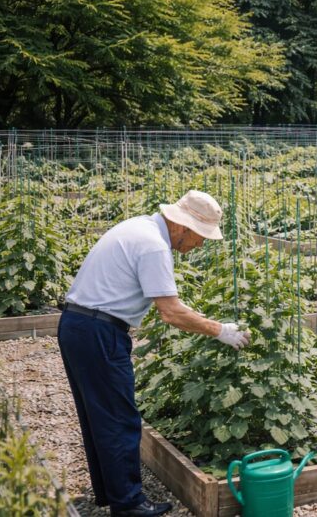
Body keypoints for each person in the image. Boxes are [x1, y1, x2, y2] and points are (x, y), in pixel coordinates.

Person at [59, 190, 251, 517]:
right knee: (120, 418)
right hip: (98, 333)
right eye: (201, 236)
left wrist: (206, 321)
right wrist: (220, 331)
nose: (200, 245)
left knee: (101, 417)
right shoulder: (154, 246)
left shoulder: (140, 228)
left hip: (80, 325)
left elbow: (168, 301)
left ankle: (114, 494)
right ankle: (129, 505)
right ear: (183, 227)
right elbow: (171, 312)